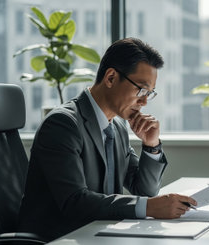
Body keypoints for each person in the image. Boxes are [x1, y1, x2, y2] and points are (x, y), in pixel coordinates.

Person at [18, 37, 197, 241]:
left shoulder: (117, 126)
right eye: (141, 89)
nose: (145, 101)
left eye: (149, 92)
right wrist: (149, 207)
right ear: (111, 78)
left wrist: (151, 145)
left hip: (101, 234)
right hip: (61, 238)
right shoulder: (63, 124)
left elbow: (145, 190)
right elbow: (74, 202)